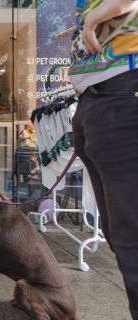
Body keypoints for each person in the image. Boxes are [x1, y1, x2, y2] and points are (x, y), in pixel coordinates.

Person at [69, 1, 138, 318]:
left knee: (131, 238)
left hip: (123, 93)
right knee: (119, 234)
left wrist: (96, 17)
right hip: (97, 100)